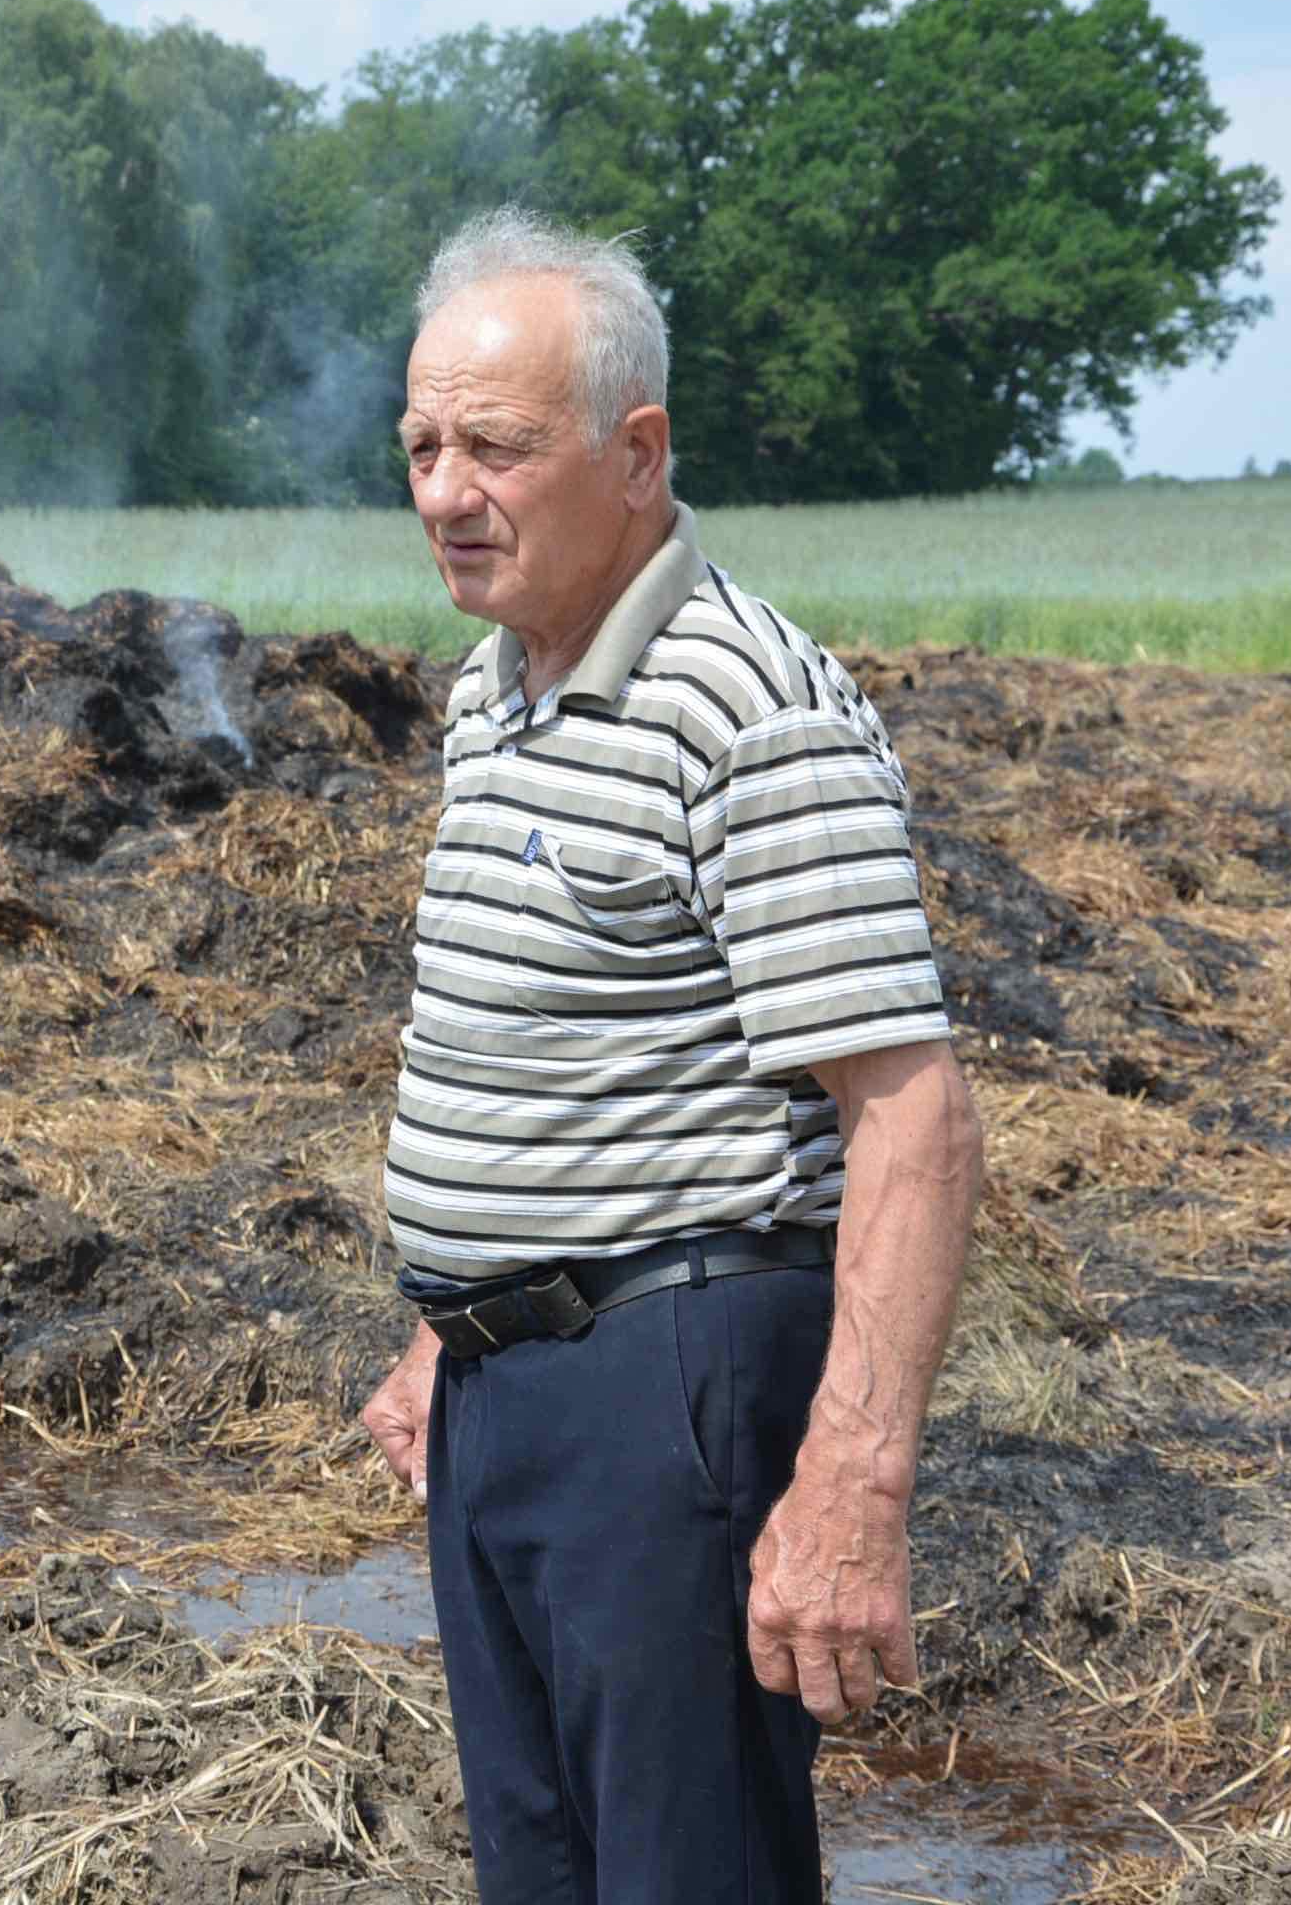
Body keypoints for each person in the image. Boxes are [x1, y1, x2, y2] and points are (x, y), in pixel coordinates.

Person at [355, 206, 984, 1903]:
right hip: (512, 1393)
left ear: (637, 454)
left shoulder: (744, 703)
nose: (442, 491)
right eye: (420, 444)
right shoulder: (497, 691)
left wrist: (853, 1477)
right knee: (545, 1873)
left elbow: (913, 1120)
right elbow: (568, 1051)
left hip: (671, 1395)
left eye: (493, 446)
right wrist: (467, 1326)